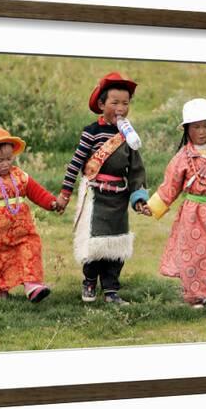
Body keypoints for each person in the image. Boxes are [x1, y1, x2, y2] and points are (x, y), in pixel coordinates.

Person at [55, 72, 150, 305]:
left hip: (118, 197)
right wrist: (64, 194)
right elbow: (76, 164)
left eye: (125, 103)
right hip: (96, 196)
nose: (120, 108)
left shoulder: (128, 136)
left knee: (116, 244)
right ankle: (89, 281)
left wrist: (138, 198)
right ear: (101, 104)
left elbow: (136, 169)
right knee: (94, 243)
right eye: (114, 102)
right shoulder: (91, 133)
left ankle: (111, 290)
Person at [147, 98, 206, 308]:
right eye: (196, 127)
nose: (201, 131)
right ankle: (195, 295)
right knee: (194, 255)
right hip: (193, 214)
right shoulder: (183, 157)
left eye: (205, 126)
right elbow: (170, 185)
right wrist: (153, 206)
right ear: (187, 129)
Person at [0, 127, 58, 302]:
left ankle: (33, 285)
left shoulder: (20, 176)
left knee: (30, 250)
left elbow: (36, 192)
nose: (6, 163)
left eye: (9, 158)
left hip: (23, 231)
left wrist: (51, 203)